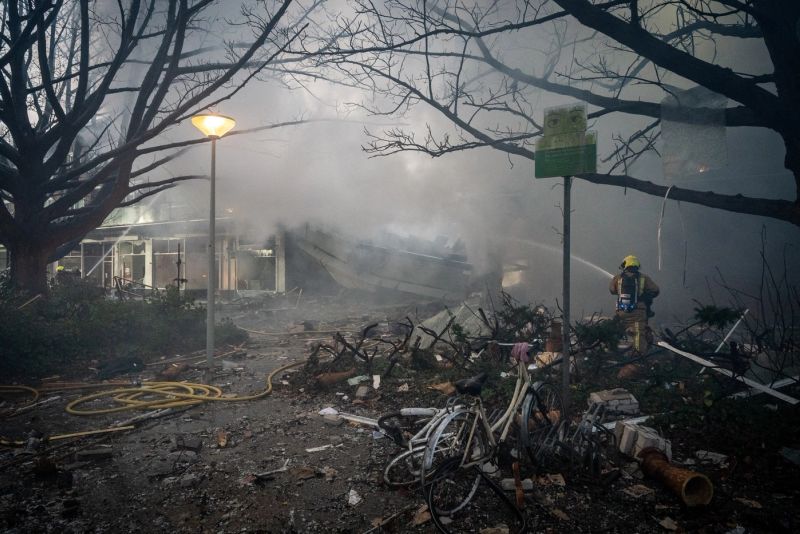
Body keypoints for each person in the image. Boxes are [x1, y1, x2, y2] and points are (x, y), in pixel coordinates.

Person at [609, 255, 659, 355]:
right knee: (638, 334)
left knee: (615, 331)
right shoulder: (644, 278)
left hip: (621, 312)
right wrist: (645, 296)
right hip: (638, 312)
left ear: (625, 265)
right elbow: (655, 290)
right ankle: (638, 356)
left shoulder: (618, 278)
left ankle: (611, 352)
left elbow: (612, 290)